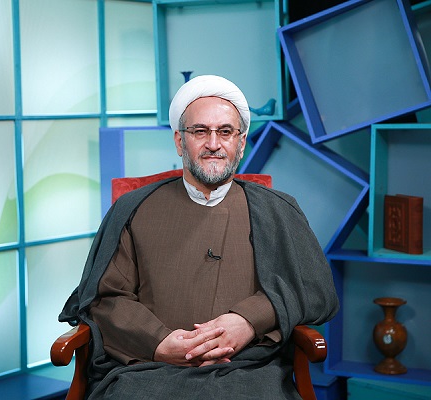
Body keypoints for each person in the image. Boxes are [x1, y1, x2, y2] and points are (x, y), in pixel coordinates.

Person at [59, 75, 339, 399]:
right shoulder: (133, 209)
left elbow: (315, 291)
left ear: (241, 142)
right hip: (149, 370)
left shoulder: (278, 210)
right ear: (180, 141)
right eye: (200, 131)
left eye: (225, 132)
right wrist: (159, 342)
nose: (213, 144)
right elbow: (105, 298)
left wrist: (248, 320)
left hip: (249, 369)